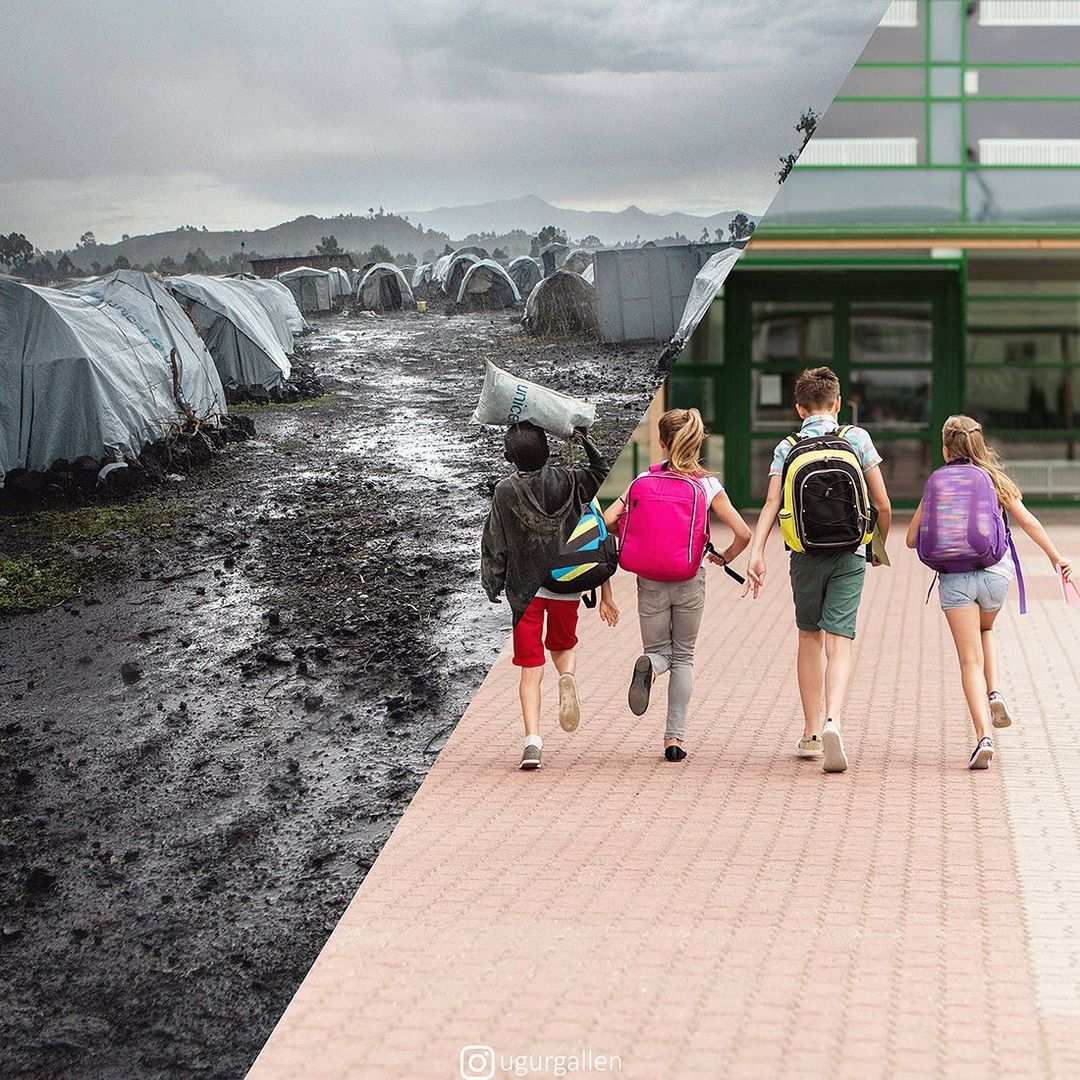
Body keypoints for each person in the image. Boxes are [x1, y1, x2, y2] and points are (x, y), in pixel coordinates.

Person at [743, 366, 892, 773]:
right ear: (838, 403)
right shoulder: (856, 438)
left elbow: (772, 503)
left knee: (809, 636)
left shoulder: (787, 447)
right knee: (839, 640)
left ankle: (810, 732)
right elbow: (883, 504)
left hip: (804, 554)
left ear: (798, 408)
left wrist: (756, 551)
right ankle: (834, 721)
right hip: (850, 553)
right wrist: (876, 546)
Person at [906, 415, 1073, 770]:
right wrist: (1057, 557)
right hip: (996, 575)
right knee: (987, 629)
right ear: (980, 445)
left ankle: (983, 737)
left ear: (946, 448)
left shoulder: (936, 485)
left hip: (955, 580)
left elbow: (910, 540)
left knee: (969, 662)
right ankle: (995, 691)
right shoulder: (994, 479)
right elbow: (1027, 520)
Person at [604, 408, 750, 761]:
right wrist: (726, 556)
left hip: (649, 578)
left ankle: (651, 665)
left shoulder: (641, 480)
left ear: (663, 442)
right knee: (683, 657)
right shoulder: (707, 485)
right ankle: (674, 740)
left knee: (659, 651)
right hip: (689, 577)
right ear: (697, 442)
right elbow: (743, 533)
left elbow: (607, 521)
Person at [481, 421, 618, 770]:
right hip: (565, 585)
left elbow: (494, 542)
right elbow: (601, 471)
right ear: (547, 451)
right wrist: (583, 439)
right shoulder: (570, 480)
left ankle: (532, 741)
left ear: (510, 457)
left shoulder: (504, 491)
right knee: (562, 646)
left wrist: (492, 583)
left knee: (530, 668)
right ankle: (567, 676)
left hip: (526, 590)